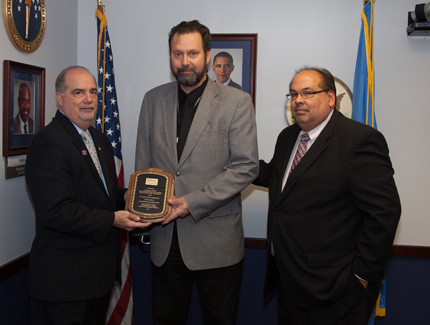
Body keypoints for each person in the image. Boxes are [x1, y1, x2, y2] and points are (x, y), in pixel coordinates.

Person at [253, 66, 401, 325]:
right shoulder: (288, 137)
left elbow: (385, 213)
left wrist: (361, 276)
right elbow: (278, 179)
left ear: (331, 98)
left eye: (308, 93)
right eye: (293, 94)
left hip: (336, 289)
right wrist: (233, 161)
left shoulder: (359, 140)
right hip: (289, 281)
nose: (298, 100)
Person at [135, 20, 258, 324]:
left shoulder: (237, 102)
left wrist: (191, 202)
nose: (184, 61)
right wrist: (141, 206)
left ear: (207, 55)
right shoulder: (152, 100)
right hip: (164, 243)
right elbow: (144, 165)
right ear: (170, 56)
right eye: (177, 54)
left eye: (192, 53)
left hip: (216, 245)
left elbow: (246, 167)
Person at [25, 66, 149, 325]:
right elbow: (56, 212)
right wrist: (114, 219)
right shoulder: (49, 141)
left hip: (98, 281)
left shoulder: (98, 140)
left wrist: (128, 197)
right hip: (65, 286)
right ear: (60, 98)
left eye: (93, 92)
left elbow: (100, 194)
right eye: (78, 92)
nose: (89, 99)